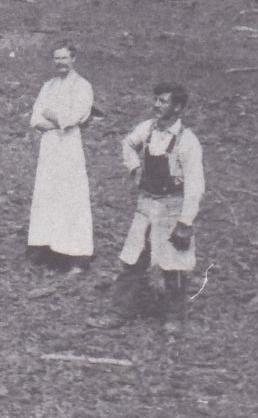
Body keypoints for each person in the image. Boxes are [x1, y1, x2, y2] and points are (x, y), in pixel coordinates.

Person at [113, 83, 206, 330]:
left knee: (174, 264)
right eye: (156, 100)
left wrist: (185, 223)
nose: (156, 105)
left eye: (163, 101)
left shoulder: (188, 142)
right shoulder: (148, 129)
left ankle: (174, 319)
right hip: (146, 205)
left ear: (177, 107)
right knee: (132, 258)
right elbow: (128, 144)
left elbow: (195, 187)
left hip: (172, 208)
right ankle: (119, 311)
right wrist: (134, 168)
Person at [27, 45, 96, 270]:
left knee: (70, 196)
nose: (60, 63)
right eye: (56, 59)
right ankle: (49, 249)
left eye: (64, 58)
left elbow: (73, 118)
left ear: (73, 58)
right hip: (49, 146)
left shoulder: (83, 87)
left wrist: (52, 115)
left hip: (69, 147)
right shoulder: (49, 86)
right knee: (48, 194)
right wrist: (51, 119)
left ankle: (76, 254)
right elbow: (36, 116)